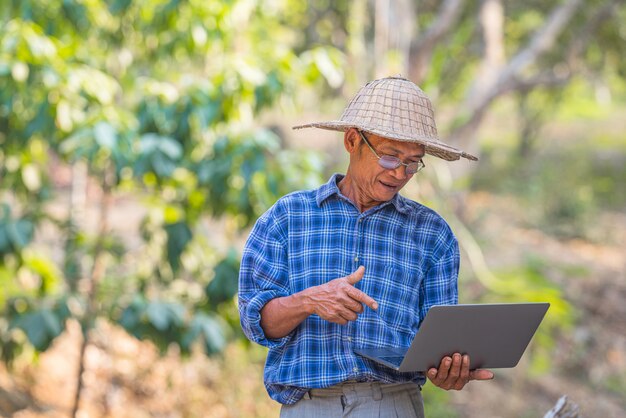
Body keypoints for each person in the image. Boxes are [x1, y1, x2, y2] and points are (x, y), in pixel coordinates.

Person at [238, 76, 494, 417]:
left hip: (392, 403)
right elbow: (256, 323)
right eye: (390, 157)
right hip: (307, 406)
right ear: (352, 140)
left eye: (412, 162)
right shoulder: (287, 217)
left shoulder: (433, 234)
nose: (401, 173)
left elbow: (438, 342)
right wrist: (310, 300)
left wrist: (449, 371)